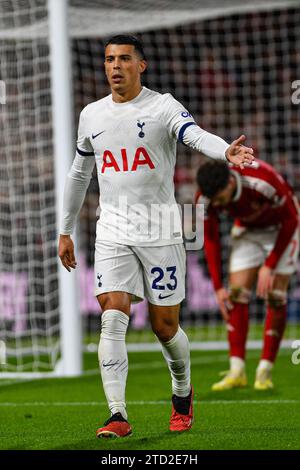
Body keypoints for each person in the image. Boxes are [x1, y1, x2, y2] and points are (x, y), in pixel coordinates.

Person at [58, 35, 254, 438]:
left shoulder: (162, 106)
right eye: (110, 59)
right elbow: (80, 173)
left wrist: (224, 153)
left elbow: (194, 135)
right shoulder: (91, 115)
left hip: (160, 230)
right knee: (112, 317)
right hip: (112, 230)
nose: (116, 66)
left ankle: (182, 392)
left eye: (124, 59)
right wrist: (65, 229)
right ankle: (117, 414)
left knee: (165, 328)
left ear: (140, 65)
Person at [196, 159, 299, 391]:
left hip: (282, 228)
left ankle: (265, 370)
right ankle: (237, 370)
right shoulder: (205, 197)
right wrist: (217, 287)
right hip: (249, 230)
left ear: (231, 181)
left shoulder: (263, 182)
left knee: (276, 295)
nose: (220, 204)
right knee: (236, 294)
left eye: (221, 198)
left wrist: (269, 265)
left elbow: (291, 219)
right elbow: (211, 238)